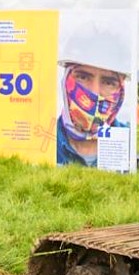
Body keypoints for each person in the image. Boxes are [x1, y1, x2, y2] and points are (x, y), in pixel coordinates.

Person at [56, 23, 132, 167]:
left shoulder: (130, 145)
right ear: (65, 80)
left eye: (109, 82)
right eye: (83, 77)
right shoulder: (41, 145)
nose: (95, 92)